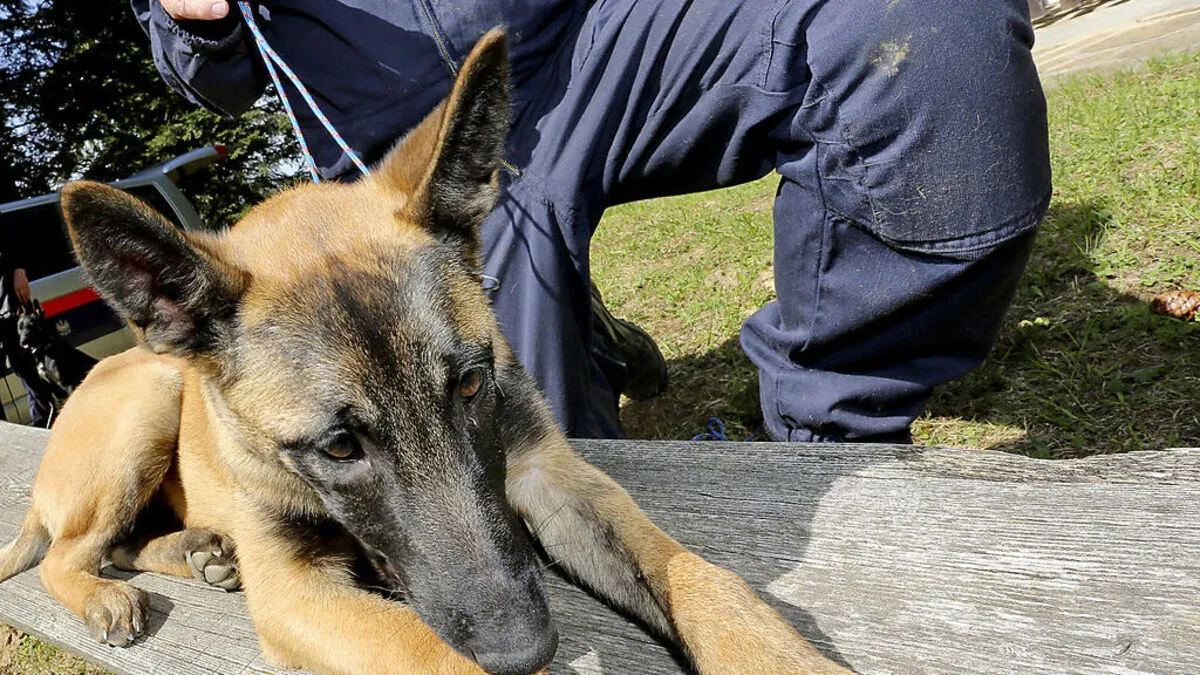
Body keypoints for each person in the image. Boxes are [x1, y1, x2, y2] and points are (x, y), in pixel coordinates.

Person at [133, 0, 1051, 442]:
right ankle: (577, 331)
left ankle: (822, 439)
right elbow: (213, 78)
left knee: (925, 25)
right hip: (411, 162)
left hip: (599, 37)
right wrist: (195, 25)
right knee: (533, 470)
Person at [0, 223, 56, 426]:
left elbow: (18, 236)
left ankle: (45, 423)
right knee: (24, 369)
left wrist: (19, 269)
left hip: (11, 308)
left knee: (29, 370)